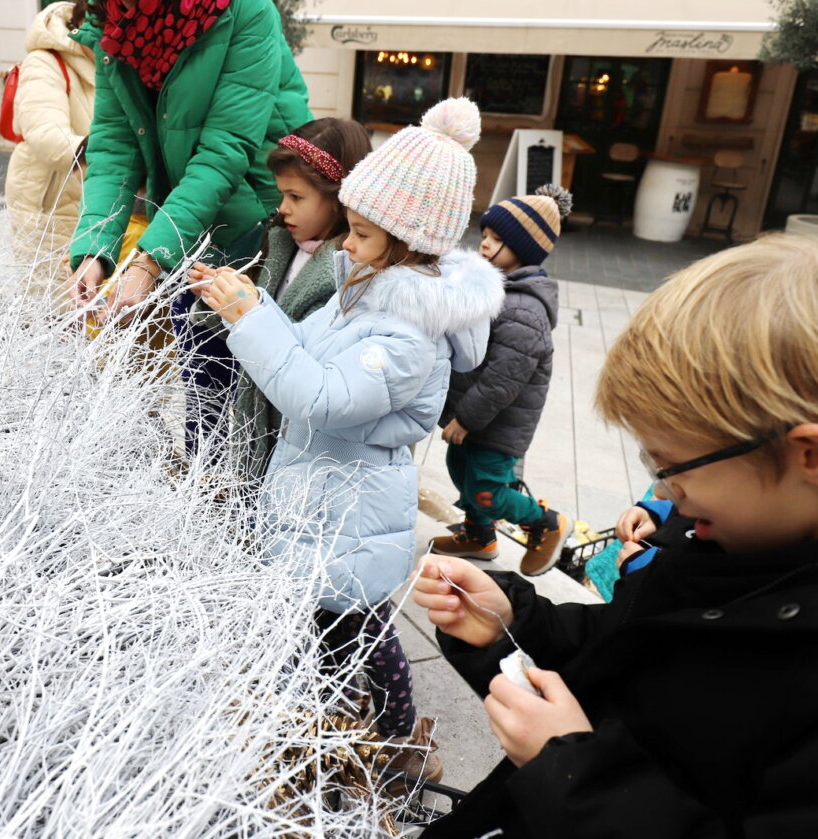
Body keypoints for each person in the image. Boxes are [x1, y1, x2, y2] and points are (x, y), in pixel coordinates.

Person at [412, 234, 818, 836]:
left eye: (673, 467)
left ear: (813, 456)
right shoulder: (721, 539)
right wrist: (513, 626)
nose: (662, 491)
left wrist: (575, 778)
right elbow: (627, 649)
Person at [192, 98, 505, 781]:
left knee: (356, 634)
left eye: (360, 233)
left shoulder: (407, 335)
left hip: (349, 513)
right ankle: (342, 737)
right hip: (322, 500)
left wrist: (251, 322)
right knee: (337, 633)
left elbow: (321, 398)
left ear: (408, 243)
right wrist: (253, 304)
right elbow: (302, 347)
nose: (346, 245)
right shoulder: (362, 290)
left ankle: (396, 747)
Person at [66, 0, 311, 454]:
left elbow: (225, 151)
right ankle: (204, 489)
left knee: (250, 402)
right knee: (203, 390)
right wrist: (94, 252)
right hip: (185, 220)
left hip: (260, 218)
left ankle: (240, 495)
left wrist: (149, 261)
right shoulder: (113, 21)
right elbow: (113, 146)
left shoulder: (244, 11)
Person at [189, 117, 372, 480]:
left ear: (339, 198)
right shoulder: (280, 244)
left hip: (304, 449)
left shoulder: (350, 271)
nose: (283, 207)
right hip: (260, 429)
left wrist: (246, 310)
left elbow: (307, 355)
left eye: (296, 197)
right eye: (282, 194)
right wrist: (221, 300)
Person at [429, 185, 574, 576]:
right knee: (461, 469)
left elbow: (502, 379)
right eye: (486, 235)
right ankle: (480, 537)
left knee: (487, 490)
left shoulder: (525, 308)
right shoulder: (499, 289)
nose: (485, 245)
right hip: (479, 417)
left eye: (498, 240)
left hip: (497, 424)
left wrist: (466, 419)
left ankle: (545, 522)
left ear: (523, 250)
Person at [4, 0, 95, 287]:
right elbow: (46, 134)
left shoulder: (113, 65)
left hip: (89, 198)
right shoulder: (44, 61)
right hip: (48, 203)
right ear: (78, 26)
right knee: (53, 294)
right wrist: (110, 154)